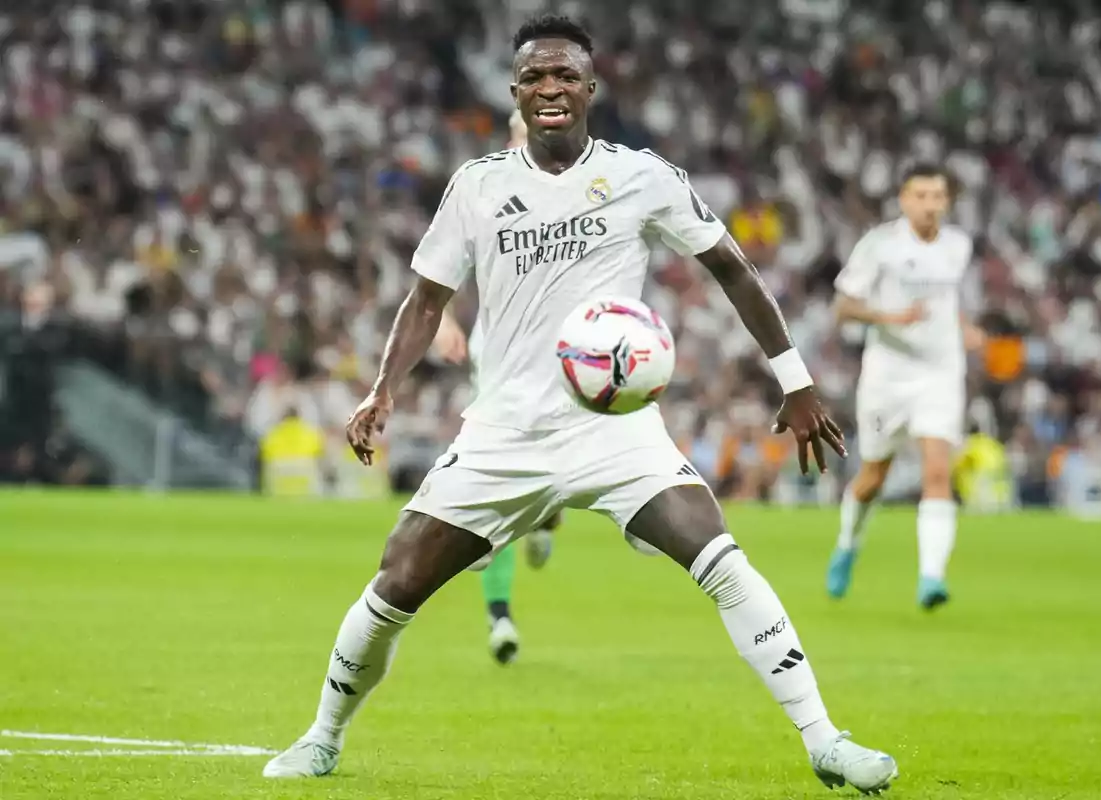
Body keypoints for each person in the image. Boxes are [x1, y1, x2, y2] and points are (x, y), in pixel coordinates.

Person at [263, 15, 898, 793]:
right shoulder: (479, 186)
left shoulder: (643, 177)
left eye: (565, 75)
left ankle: (826, 740)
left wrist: (795, 381)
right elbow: (426, 300)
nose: (550, 88)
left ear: (591, 89)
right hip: (506, 432)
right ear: (516, 92)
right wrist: (383, 388)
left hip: (614, 431)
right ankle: (322, 738)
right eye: (535, 76)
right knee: (396, 582)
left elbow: (732, 269)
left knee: (721, 556)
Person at [431, 108, 559, 665]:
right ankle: (500, 618)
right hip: (499, 353)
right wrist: (445, 321)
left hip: (565, 354)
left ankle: (548, 515)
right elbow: (440, 268)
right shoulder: (484, 187)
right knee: (502, 471)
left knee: (557, 467)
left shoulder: (587, 190)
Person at [826, 164, 984, 609]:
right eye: (921, 195)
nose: (930, 205)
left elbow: (944, 303)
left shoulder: (958, 246)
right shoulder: (880, 245)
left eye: (938, 196)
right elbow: (844, 308)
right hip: (888, 374)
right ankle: (847, 543)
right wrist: (891, 318)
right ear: (903, 199)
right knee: (873, 476)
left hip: (940, 372)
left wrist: (964, 328)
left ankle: (931, 577)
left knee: (938, 469)